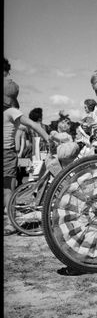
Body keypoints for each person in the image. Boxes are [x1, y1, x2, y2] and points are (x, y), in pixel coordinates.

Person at [3, 78, 50, 235]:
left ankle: (11, 222)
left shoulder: (11, 112)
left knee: (7, 190)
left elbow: (33, 125)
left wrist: (47, 138)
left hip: (7, 154)